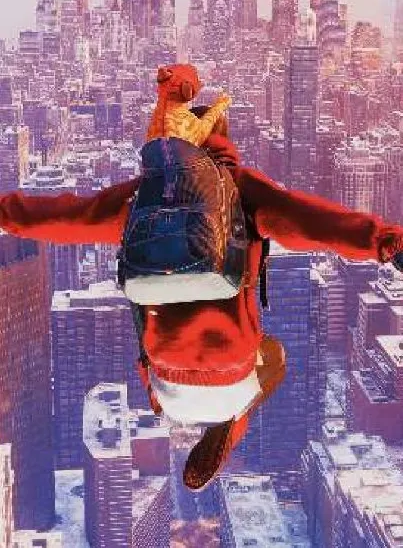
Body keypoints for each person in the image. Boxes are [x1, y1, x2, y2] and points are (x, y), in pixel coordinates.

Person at [1, 105, 403, 491]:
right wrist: (386, 243)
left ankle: (177, 403)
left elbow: (63, 218)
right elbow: (315, 222)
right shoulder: (241, 188)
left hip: (167, 379)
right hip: (232, 371)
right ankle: (231, 422)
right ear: (223, 139)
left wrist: (4, 212)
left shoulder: (144, 197)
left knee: (147, 325)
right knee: (275, 356)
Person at [146, 63, 231, 146]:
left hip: (156, 156)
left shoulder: (156, 117)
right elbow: (202, 132)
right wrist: (220, 106)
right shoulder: (182, 117)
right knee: (218, 120)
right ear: (187, 90)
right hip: (184, 156)